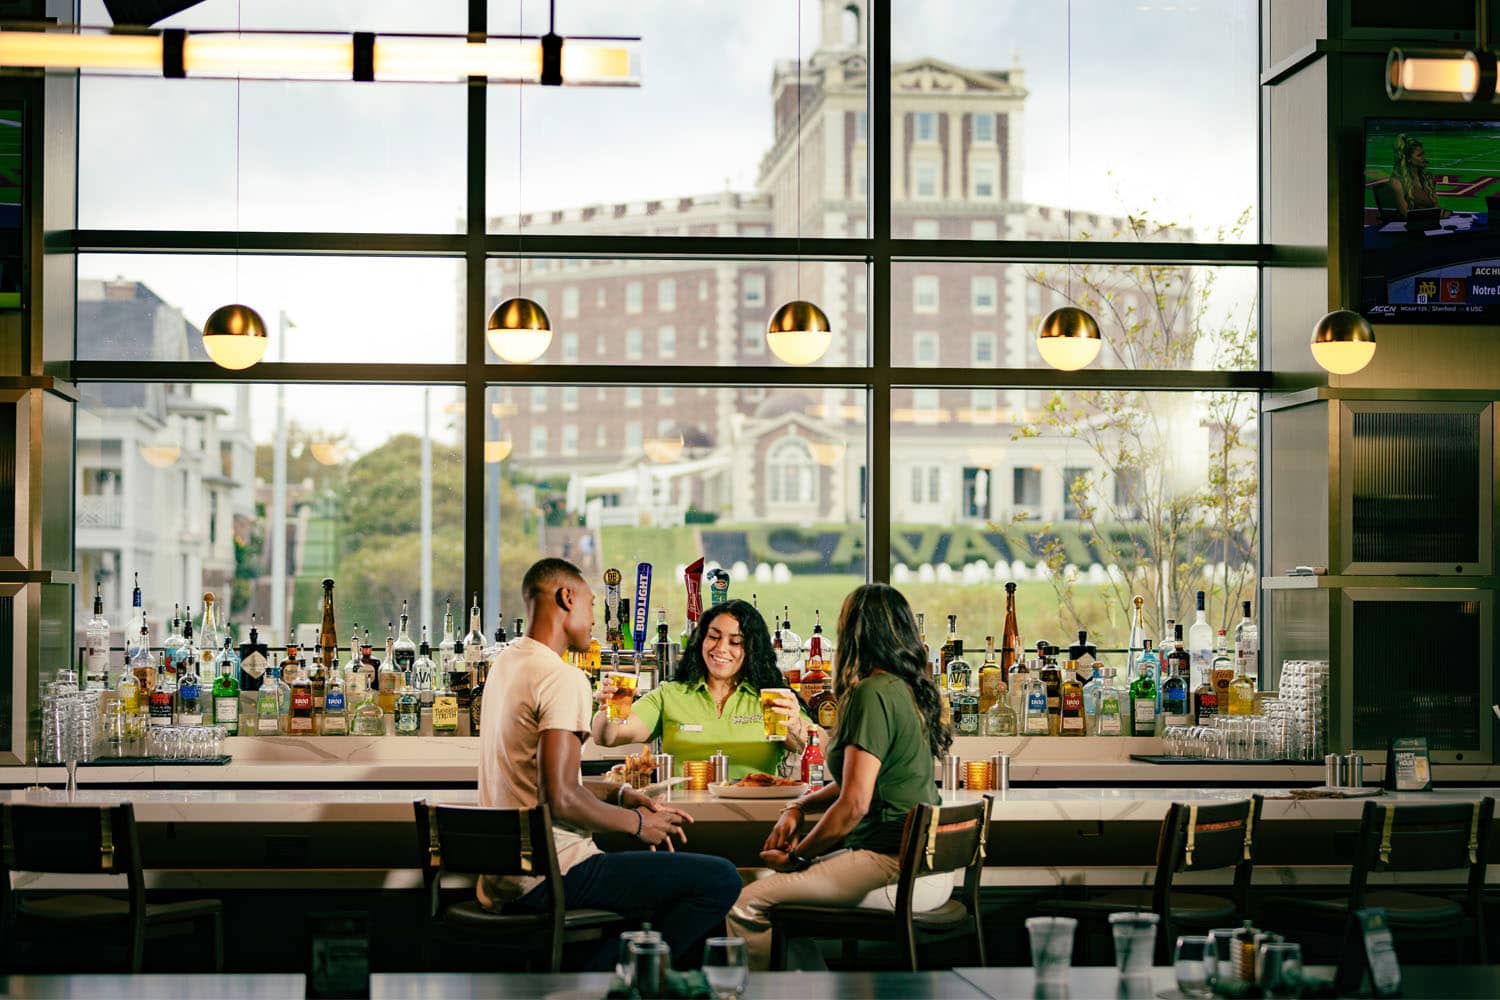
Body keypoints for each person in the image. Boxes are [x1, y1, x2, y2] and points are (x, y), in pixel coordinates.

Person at [478, 557, 742, 970]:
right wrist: (639, 825)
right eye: (590, 603)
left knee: (674, 892)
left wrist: (620, 793)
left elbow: (539, 780)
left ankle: (623, 977)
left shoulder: (507, 665)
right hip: (554, 872)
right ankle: (601, 981)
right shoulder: (562, 678)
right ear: (566, 598)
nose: (594, 619)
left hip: (504, 873)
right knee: (719, 880)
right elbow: (561, 797)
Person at [726, 583, 955, 970]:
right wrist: (800, 805)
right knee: (764, 887)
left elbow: (853, 805)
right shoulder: (906, 689)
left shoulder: (871, 693)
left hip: (891, 869)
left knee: (746, 903)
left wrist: (797, 856)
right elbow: (860, 783)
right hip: (927, 867)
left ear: (854, 634)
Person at [591, 599, 812, 780]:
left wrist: (795, 725)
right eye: (713, 637)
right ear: (700, 640)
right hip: (682, 820)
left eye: (735, 642)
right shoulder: (670, 695)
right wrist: (608, 710)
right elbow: (609, 738)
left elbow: (822, 747)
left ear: (752, 649)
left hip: (758, 818)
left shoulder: (769, 699)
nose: (721, 648)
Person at [1390, 134, 1448, 219]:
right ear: (1408, 159)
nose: (1423, 158)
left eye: (1423, 154)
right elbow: (1406, 214)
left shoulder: (1427, 178)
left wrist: (1442, 214)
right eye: (1419, 155)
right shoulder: (1396, 181)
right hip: (1408, 227)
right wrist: (1436, 215)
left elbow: (1436, 206)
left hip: (1429, 224)